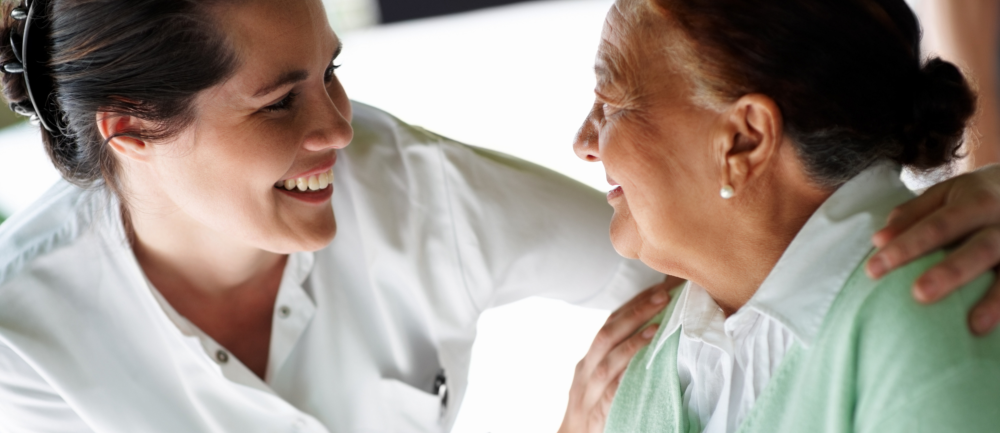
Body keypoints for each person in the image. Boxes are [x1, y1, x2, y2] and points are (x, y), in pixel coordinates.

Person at [0, 1, 998, 432]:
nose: (342, 129)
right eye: (278, 101)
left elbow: (751, 253)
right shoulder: (24, 341)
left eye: (333, 74)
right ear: (131, 130)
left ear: (742, 138)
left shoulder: (921, 310)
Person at [558, 0, 1000, 432]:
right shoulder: (638, 357)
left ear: (744, 140)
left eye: (611, 103)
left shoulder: (933, 319)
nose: (584, 143)